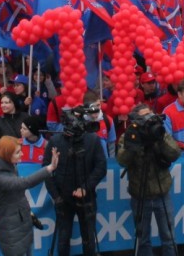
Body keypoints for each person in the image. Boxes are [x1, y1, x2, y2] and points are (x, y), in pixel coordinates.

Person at [117, 104, 182, 256]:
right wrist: (133, 143)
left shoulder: (158, 132)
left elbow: (175, 153)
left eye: (150, 116)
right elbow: (122, 161)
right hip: (139, 195)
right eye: (144, 117)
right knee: (143, 237)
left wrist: (160, 137)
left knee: (169, 236)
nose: (148, 120)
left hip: (162, 194)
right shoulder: (128, 135)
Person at [43, 105, 107, 256]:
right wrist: (56, 196)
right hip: (63, 198)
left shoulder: (92, 139)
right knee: (63, 239)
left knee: (89, 238)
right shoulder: (56, 141)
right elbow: (46, 170)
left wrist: (86, 187)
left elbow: (101, 167)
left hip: (87, 197)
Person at [0, 135, 59, 256]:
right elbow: (24, 183)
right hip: (10, 230)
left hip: (23, 222)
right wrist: (50, 168)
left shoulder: (10, 165)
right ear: (7, 154)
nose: (22, 155)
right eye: (18, 152)